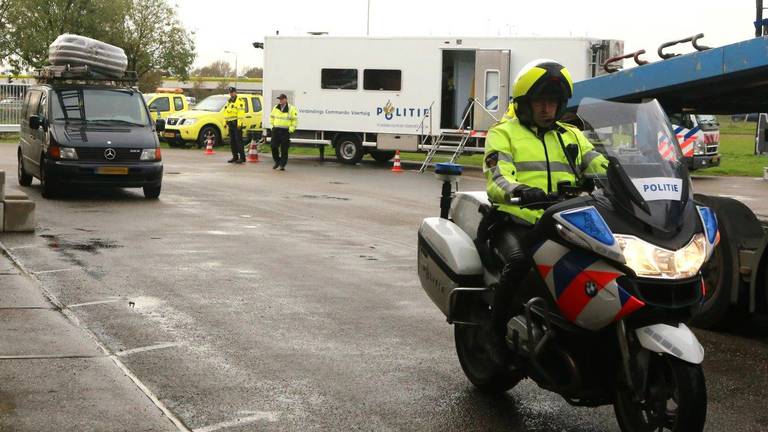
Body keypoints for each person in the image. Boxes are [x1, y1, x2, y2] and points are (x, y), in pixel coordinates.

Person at [483, 59, 608, 331]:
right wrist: (522, 191)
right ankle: (496, 330)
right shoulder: (503, 134)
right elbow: (498, 178)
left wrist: (628, 175)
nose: (547, 108)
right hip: (518, 220)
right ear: (524, 103)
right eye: (540, 101)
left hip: (567, 221)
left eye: (552, 102)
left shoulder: (571, 135)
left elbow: (599, 164)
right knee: (518, 262)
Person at [269, 93, 298, 170]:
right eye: (279, 99)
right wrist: (272, 127)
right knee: (273, 146)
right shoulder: (276, 107)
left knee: (284, 149)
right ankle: (277, 161)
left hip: (285, 131)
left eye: (282, 99)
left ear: (285, 99)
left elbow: (294, 121)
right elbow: (271, 117)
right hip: (276, 130)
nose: (280, 101)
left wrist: (290, 130)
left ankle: (282, 165)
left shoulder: (291, 108)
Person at [224, 87, 246, 163]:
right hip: (230, 124)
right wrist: (225, 122)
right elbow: (226, 112)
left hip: (237, 124)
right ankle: (235, 157)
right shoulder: (229, 101)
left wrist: (239, 124)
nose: (231, 93)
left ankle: (242, 157)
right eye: (230, 92)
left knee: (238, 141)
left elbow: (241, 114)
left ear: (235, 92)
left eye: (232, 92)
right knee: (232, 141)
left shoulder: (239, 101)